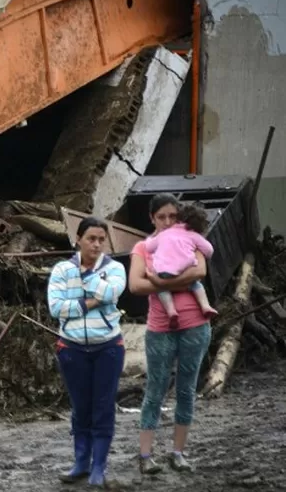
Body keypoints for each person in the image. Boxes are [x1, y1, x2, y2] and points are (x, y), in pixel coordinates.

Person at [128, 193, 212, 475]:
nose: (167, 221)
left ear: (180, 217)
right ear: (151, 218)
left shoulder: (189, 235)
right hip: (161, 327)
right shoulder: (143, 247)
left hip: (196, 324)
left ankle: (178, 452)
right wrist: (179, 281)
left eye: (172, 216)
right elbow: (135, 286)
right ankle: (145, 455)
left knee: (187, 389)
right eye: (161, 216)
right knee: (156, 389)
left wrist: (163, 279)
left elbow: (200, 270)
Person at [47, 216, 127, 488]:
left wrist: (85, 277)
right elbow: (56, 308)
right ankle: (80, 463)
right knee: (81, 408)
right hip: (72, 348)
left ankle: (99, 467)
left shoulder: (116, 268)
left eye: (101, 240)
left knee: (103, 407)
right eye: (91, 239)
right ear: (78, 239)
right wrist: (92, 300)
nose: (96, 245)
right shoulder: (60, 269)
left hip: (108, 347)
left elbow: (113, 292)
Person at [143, 202, 218, 329]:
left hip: (164, 273)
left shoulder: (165, 233)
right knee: (196, 285)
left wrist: (151, 238)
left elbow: (149, 247)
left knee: (162, 289)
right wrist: (198, 249)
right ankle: (205, 306)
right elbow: (209, 250)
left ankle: (171, 311)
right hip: (183, 271)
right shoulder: (194, 236)